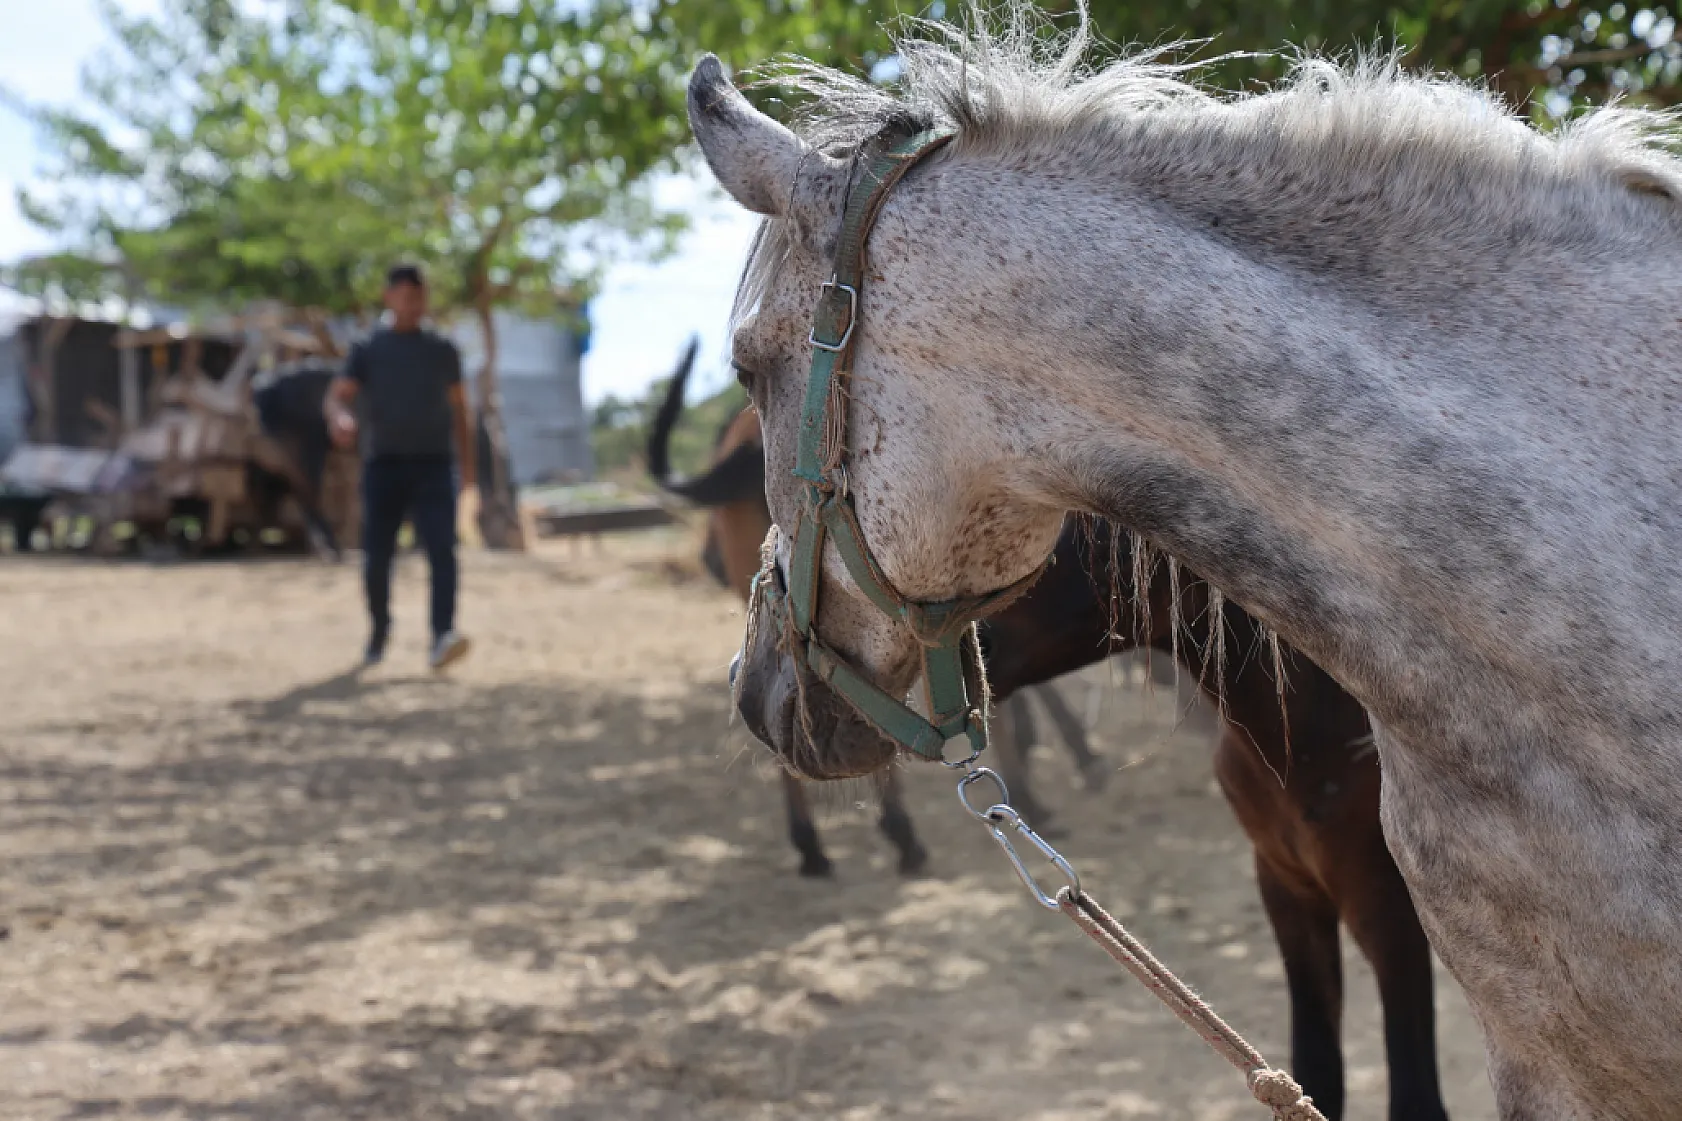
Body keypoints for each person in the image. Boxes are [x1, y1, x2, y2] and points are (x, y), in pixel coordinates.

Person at [325, 264, 476, 670]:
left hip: (434, 465)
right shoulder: (368, 349)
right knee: (377, 558)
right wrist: (340, 417)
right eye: (406, 297)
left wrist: (469, 470)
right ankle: (379, 629)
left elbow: (461, 410)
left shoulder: (442, 350)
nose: (413, 306)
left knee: (443, 550)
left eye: (420, 297)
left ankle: (442, 634)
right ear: (388, 297)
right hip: (384, 467)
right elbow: (338, 396)